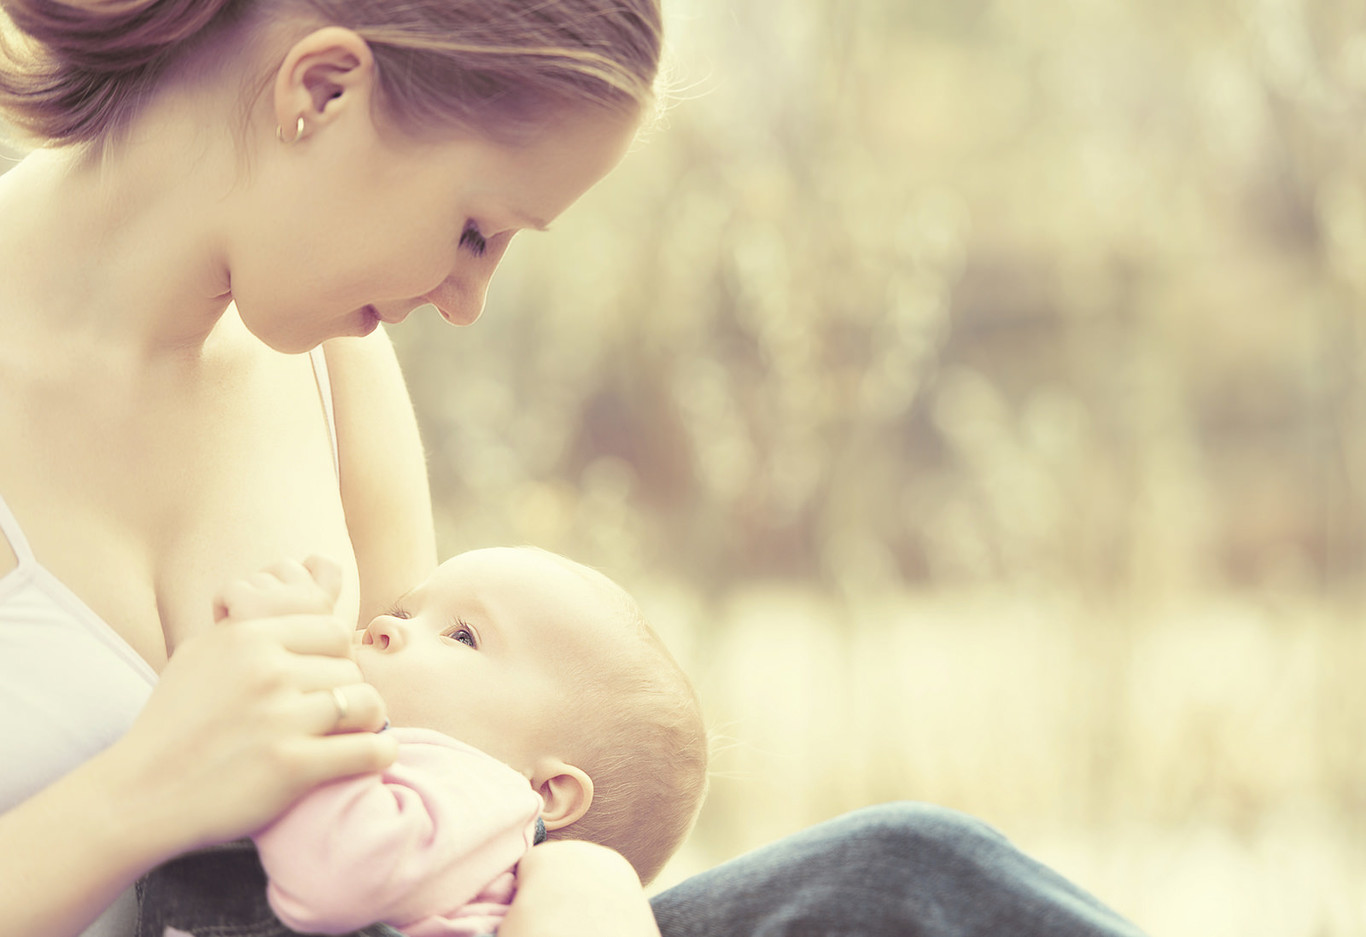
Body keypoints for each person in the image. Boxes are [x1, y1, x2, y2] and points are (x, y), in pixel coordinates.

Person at [0, 1, 1148, 936]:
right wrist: (140, 794)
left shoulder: (335, 375)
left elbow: (449, 772)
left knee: (903, 881)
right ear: (322, 90)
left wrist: (578, 879)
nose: (464, 301)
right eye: (472, 231)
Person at [136, 548, 706, 937]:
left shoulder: (484, 790)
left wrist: (309, 681)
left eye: (462, 635)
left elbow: (339, 869)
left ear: (547, 792)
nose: (387, 626)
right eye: (404, 609)